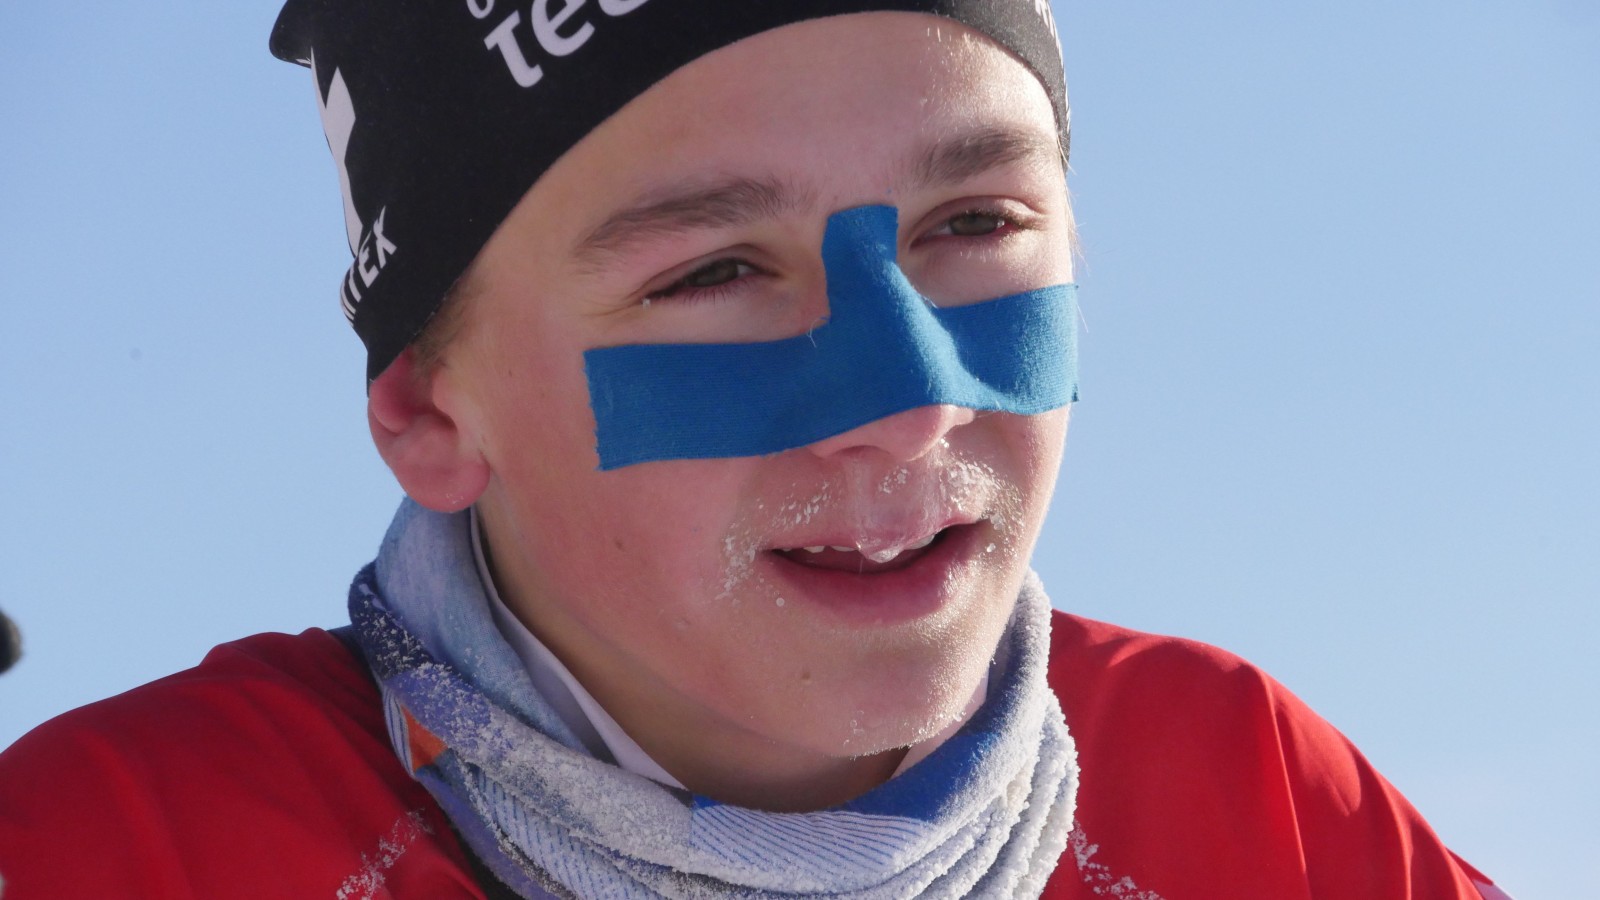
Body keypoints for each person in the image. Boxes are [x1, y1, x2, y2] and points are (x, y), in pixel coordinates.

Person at [0, 3, 1511, 898]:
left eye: (974, 223)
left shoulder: (1254, 798)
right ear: (430, 413)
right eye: (716, 271)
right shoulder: (120, 851)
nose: (907, 398)